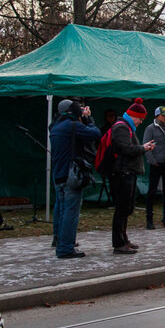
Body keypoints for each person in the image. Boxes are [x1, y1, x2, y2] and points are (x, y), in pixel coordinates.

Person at [48, 99, 101, 259]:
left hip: (58, 174)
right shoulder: (72, 126)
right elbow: (96, 134)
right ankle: (65, 248)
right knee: (71, 212)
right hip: (72, 175)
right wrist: (88, 119)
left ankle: (59, 240)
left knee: (62, 209)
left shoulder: (55, 126)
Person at [108, 99, 154, 254]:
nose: (141, 121)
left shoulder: (128, 127)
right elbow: (126, 149)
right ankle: (118, 243)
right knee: (122, 208)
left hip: (128, 172)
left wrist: (142, 148)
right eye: (140, 118)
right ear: (133, 116)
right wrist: (143, 148)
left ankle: (124, 238)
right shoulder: (121, 128)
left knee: (127, 208)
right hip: (123, 173)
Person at [143, 106, 165, 228]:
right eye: (163, 115)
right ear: (157, 116)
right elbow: (146, 146)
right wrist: (153, 161)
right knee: (152, 191)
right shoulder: (151, 128)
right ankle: (149, 219)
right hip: (157, 164)